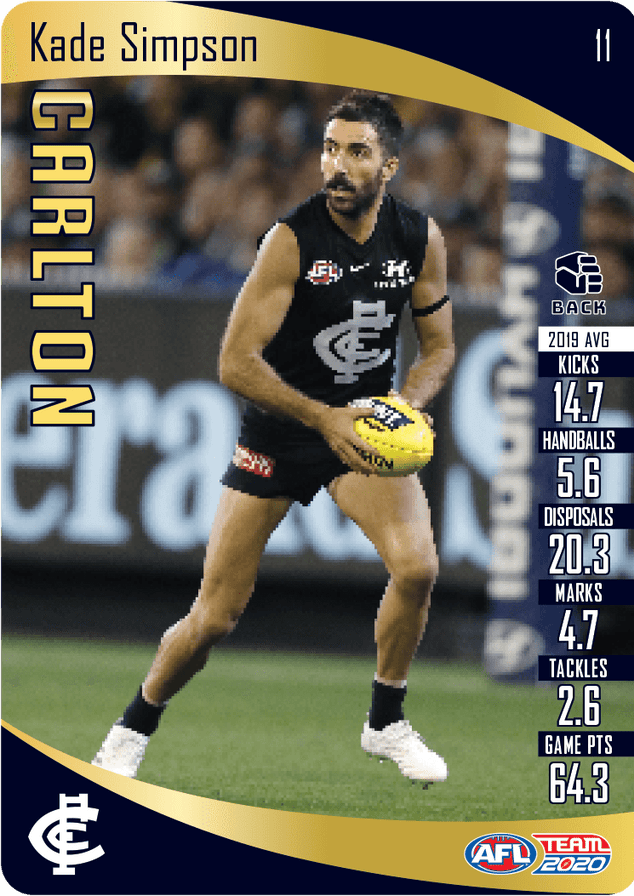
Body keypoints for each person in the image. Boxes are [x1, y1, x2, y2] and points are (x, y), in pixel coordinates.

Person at [93, 90, 455, 785]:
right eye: (330, 148)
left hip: (360, 430)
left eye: (357, 152)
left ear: (389, 166)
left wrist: (404, 408)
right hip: (281, 433)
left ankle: (386, 720)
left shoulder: (417, 237)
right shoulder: (291, 239)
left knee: (417, 568)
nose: (337, 165)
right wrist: (324, 419)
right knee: (214, 617)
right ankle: (132, 727)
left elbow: (438, 347)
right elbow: (235, 363)